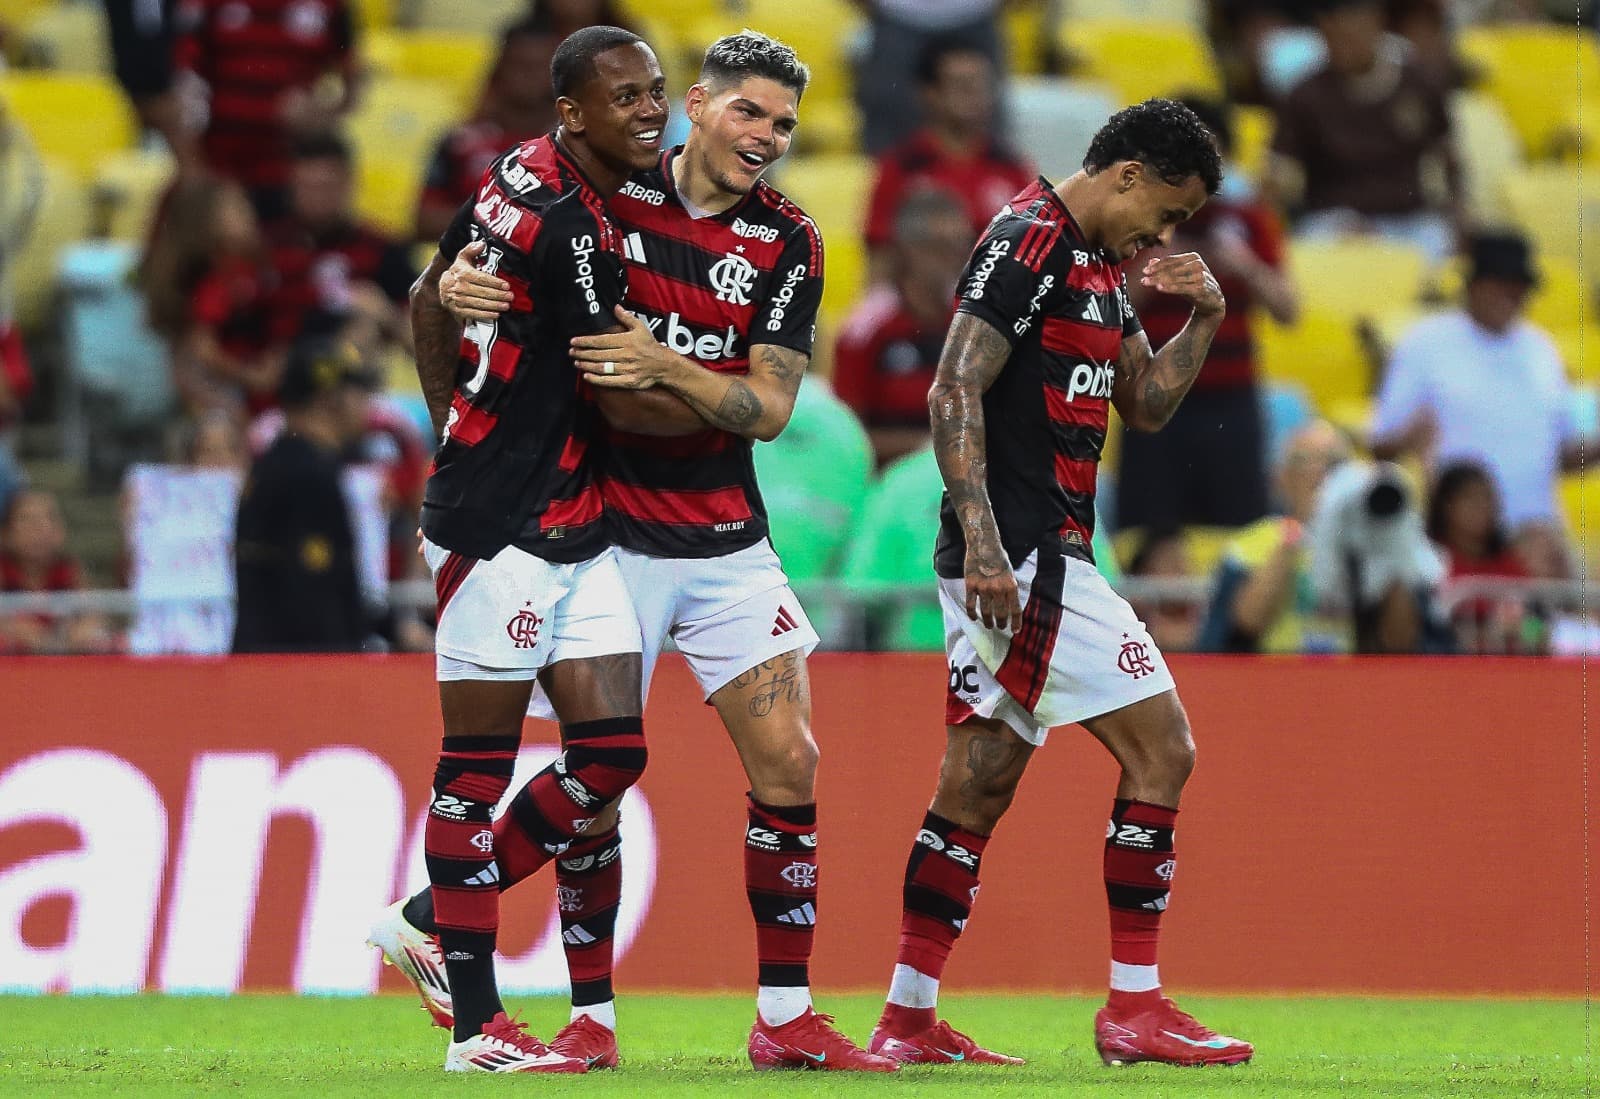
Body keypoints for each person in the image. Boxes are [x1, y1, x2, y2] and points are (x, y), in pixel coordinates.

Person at [372, 31, 898, 1074]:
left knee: (791, 760)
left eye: (785, 124)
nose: (766, 137)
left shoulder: (790, 239)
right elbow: (450, 294)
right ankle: (591, 1019)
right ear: (698, 106)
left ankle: (784, 1014)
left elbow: (768, 407)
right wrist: (458, 406)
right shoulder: (604, 195)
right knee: (600, 778)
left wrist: (665, 366)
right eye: (748, 112)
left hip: (726, 537)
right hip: (610, 530)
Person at [864, 99, 1255, 1069]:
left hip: (1034, 554)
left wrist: (1205, 315)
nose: (1164, 235)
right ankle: (1135, 1005)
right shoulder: (1027, 242)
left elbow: (1146, 403)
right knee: (1164, 748)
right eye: (1167, 211)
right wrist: (986, 543)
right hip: (1026, 558)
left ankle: (906, 1019)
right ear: (1128, 173)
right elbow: (952, 387)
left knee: (977, 782)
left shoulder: (1099, 265)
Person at [374, 26, 669, 1075]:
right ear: (572, 114)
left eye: (656, 90)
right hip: (496, 525)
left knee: (612, 753)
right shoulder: (569, 224)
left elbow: (426, 295)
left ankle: (424, 917)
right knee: (472, 772)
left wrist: (451, 418)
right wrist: (726, 394)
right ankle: (476, 1028)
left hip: (570, 518)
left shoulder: (518, 172)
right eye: (625, 97)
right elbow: (615, 385)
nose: (650, 110)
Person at [1116, 97, 1298, 535]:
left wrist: (1244, 266)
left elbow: (1288, 310)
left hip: (1231, 401)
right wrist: (1155, 269)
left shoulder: (1249, 221)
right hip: (1153, 395)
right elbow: (1107, 309)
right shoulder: (1136, 223)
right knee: (1149, 538)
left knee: (1242, 536)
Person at [1371, 232, 1590, 532]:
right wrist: (1411, 438)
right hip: (1459, 533)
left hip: (1535, 529)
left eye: (1519, 289)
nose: (1511, 297)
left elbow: (1564, 457)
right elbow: (1382, 446)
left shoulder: (1541, 348)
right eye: (1501, 286)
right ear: (1473, 286)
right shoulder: (1425, 343)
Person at [1265, 0, 1460, 260]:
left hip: (1409, 221)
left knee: (1441, 243)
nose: (1342, 45)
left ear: (1376, 23)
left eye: (1351, 34)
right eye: (1332, 36)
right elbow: (1280, 176)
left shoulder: (1418, 85)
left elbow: (1448, 158)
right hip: (1336, 222)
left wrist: (1458, 212)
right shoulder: (1306, 96)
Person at [231, 338, 374, 653]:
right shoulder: (308, 474)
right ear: (330, 398)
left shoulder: (273, 463)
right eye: (360, 392)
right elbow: (314, 592)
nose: (368, 404)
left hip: (264, 658)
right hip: (297, 665)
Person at [862, 35, 1032, 284]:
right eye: (963, 86)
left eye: (982, 85)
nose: (975, 95)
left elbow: (1030, 259)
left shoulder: (1011, 168)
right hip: (921, 303)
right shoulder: (900, 169)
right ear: (929, 93)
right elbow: (880, 262)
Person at [173, 0, 362, 220]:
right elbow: (179, 76)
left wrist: (323, 112)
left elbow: (354, 74)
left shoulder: (330, 5)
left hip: (288, 171)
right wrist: (194, 163)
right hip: (221, 168)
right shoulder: (207, 5)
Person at [835, 185, 973, 469]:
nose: (954, 259)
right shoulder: (866, 328)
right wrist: (927, 447)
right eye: (939, 247)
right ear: (907, 249)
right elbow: (843, 435)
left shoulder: (973, 322)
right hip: (886, 477)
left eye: (961, 245)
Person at [1198, 418, 1352, 654]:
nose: (1320, 473)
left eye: (1333, 463)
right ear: (1282, 476)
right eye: (1304, 462)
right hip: (1277, 668)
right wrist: (1299, 528)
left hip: (1356, 669)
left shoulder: (1366, 537)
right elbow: (1244, 625)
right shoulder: (1250, 544)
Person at [141, 174, 285, 418]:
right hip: (221, 392)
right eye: (238, 209)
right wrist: (252, 376)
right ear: (209, 225)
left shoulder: (251, 269)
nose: (250, 214)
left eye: (246, 205)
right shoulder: (213, 284)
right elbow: (203, 350)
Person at [265, 134, 415, 352]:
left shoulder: (382, 250)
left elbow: (421, 342)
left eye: (327, 187)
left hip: (358, 362)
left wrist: (386, 314)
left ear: (348, 184)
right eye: (308, 188)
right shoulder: (268, 248)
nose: (318, 199)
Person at [414, 19, 560, 244]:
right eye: (519, 64)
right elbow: (426, 220)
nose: (528, 75)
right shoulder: (459, 143)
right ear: (500, 68)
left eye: (539, 66)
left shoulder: (576, 147)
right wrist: (515, 222)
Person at [0, 488, 116, 655]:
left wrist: (83, 630)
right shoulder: (3, 570)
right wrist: (18, 630)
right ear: (7, 532)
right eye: (27, 520)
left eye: (48, 519)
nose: (39, 529)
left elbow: (94, 615)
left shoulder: (69, 569)